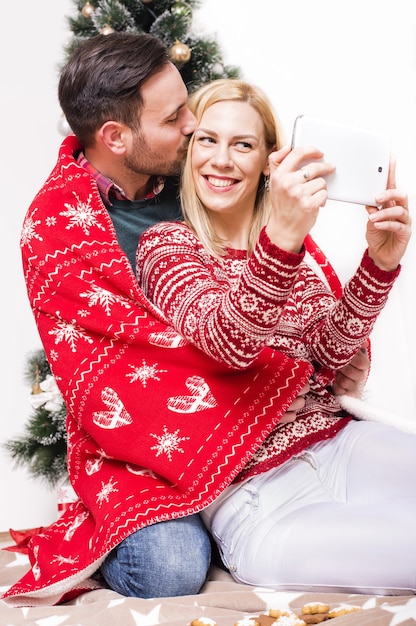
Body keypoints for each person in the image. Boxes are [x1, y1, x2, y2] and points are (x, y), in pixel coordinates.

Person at [4, 33, 367, 607]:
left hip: (253, 418)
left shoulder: (196, 173)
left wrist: (338, 344)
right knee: (170, 569)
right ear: (117, 138)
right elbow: (107, 375)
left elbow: (271, 288)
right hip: (137, 442)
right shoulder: (58, 232)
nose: (195, 125)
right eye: (176, 118)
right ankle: (152, 525)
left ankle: (230, 509)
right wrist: (269, 387)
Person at [135, 78, 416, 594]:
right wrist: (281, 239)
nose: (221, 160)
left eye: (242, 144)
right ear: (188, 149)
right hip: (255, 496)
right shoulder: (168, 247)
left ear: (269, 160)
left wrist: (379, 264)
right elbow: (228, 342)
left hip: (343, 446)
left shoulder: (301, 250)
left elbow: (330, 359)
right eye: (207, 140)